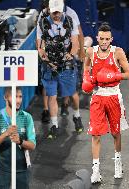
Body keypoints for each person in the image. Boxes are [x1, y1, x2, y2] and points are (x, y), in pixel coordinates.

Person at [82, 23, 129, 183]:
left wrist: (112, 76)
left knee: (116, 133)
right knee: (95, 134)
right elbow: (86, 68)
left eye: (107, 39)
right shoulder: (91, 52)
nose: (104, 42)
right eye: (101, 39)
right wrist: (86, 80)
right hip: (97, 96)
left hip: (114, 96)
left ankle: (118, 162)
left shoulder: (117, 52)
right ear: (97, 38)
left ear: (111, 39)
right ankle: (95, 171)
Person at [36, 0, 83, 137]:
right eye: (53, 12)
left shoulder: (70, 19)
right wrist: (43, 55)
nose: (56, 15)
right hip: (49, 65)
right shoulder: (43, 20)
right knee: (52, 95)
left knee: (72, 94)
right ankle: (54, 125)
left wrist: (70, 55)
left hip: (66, 64)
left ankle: (77, 115)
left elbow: (75, 43)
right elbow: (40, 43)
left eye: (58, 12)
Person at [0, 87, 36, 189]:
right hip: (1, 169)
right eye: (15, 97)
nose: (18, 100)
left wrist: (20, 141)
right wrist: (5, 134)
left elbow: (32, 145)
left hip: (21, 169)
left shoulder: (27, 117)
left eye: (20, 97)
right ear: (5, 97)